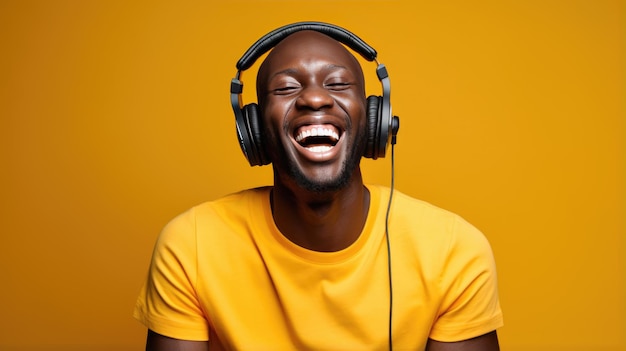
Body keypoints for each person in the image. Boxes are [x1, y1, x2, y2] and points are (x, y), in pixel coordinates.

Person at [134, 22, 503, 351]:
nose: (314, 98)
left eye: (338, 83)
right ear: (256, 130)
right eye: (287, 88)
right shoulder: (191, 246)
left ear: (375, 119)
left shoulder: (453, 252)